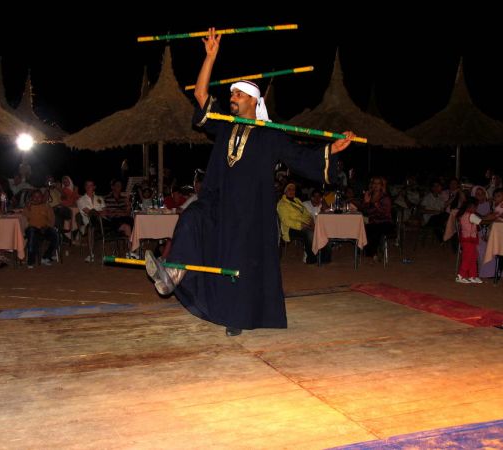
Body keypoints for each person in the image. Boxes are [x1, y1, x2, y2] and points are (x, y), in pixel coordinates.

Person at [144, 28, 354, 336]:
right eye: (231, 94)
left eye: (238, 94)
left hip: (249, 214)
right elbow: (201, 96)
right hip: (218, 203)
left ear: (254, 100)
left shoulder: (271, 135)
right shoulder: (225, 126)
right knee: (191, 217)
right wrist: (210, 57)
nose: (232, 98)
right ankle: (173, 272)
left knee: (238, 265)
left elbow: (301, 158)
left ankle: (236, 317)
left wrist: (331, 150)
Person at [455, 197, 483, 284]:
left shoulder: (465, 214)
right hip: (469, 241)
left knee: (472, 258)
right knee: (467, 258)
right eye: (476, 207)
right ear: (471, 206)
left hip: (468, 240)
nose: (476, 209)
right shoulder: (471, 215)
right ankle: (461, 275)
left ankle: (472, 275)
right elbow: (482, 221)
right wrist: (495, 216)